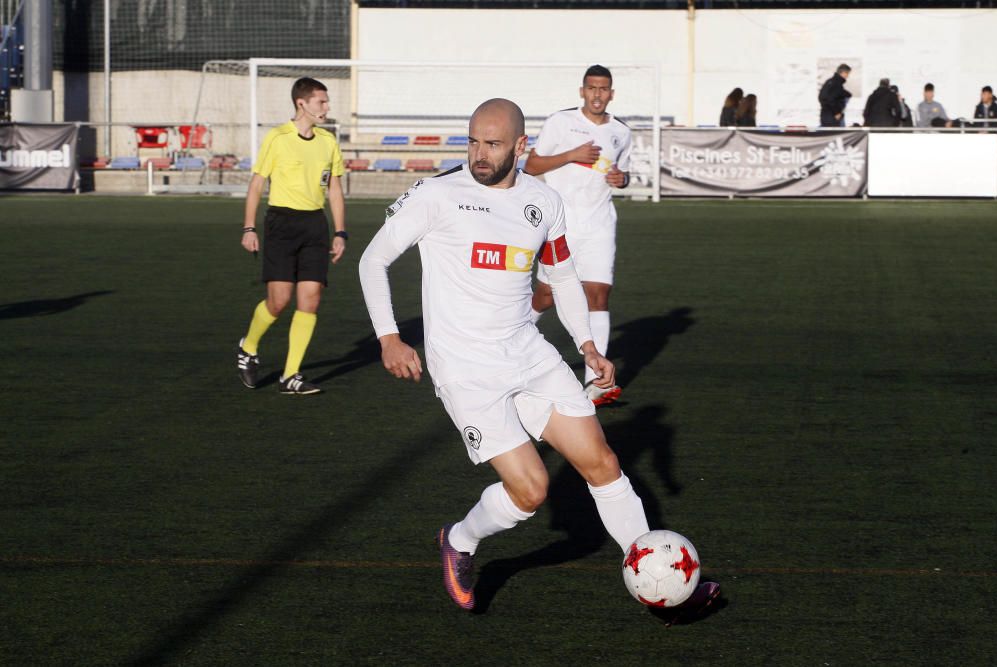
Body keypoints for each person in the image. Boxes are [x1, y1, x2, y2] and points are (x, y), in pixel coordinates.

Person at [358, 98, 719, 614]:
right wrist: (389, 337)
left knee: (603, 463)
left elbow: (562, 276)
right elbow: (374, 260)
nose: (480, 154)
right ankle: (459, 541)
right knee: (531, 491)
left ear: (521, 146)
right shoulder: (437, 194)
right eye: (474, 141)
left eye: (494, 144)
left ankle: (658, 585)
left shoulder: (542, 201)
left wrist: (588, 345)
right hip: (465, 367)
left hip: (528, 352)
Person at [523, 65, 630, 407]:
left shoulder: (621, 132)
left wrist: (622, 180)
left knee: (598, 295)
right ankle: (508, 340)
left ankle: (595, 383)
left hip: (600, 224)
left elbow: (623, 172)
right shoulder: (560, 122)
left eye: (604, 89)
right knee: (547, 295)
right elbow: (532, 167)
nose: (598, 94)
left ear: (611, 93)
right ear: (582, 91)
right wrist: (572, 155)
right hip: (561, 222)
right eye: (592, 88)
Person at [235, 77, 347, 395]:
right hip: (281, 224)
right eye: (321, 102)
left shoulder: (328, 141)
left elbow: (335, 189)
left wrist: (340, 231)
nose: (326, 107)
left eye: (326, 102)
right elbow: (257, 184)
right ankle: (248, 347)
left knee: (310, 299)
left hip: (315, 225)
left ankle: (291, 375)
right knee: (279, 300)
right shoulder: (278, 137)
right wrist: (249, 227)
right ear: (302, 103)